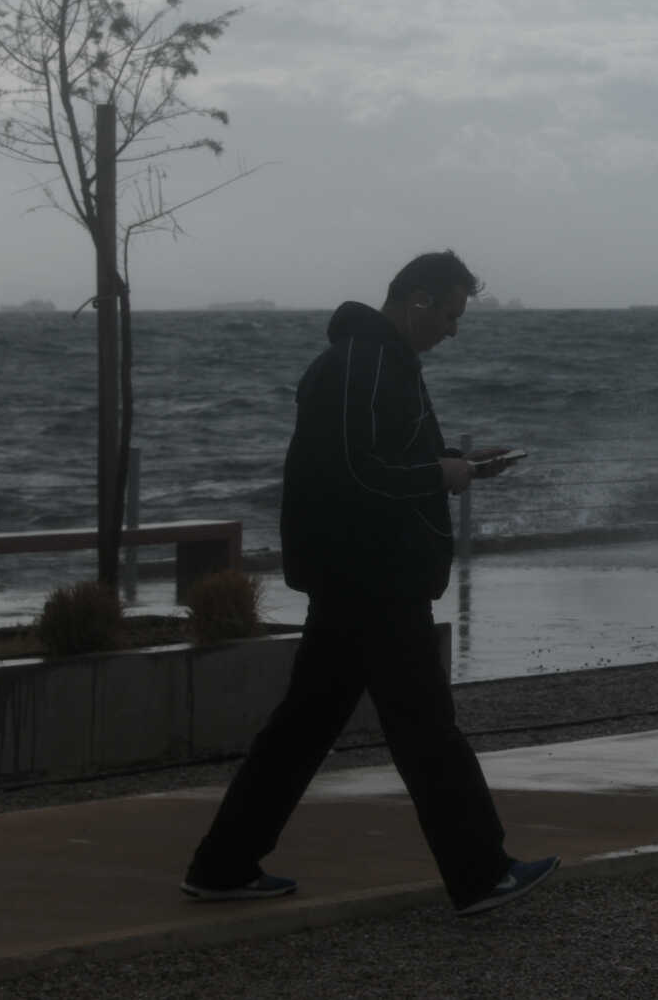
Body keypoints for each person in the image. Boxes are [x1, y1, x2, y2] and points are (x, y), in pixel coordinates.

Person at [182, 250, 559, 916]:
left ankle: (223, 863)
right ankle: (479, 873)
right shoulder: (367, 361)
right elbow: (356, 474)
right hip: (373, 577)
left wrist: (462, 464)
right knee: (425, 728)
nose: (452, 330)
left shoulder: (371, 360)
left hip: (354, 577)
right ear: (416, 300)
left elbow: (375, 461)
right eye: (449, 314)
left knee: (304, 726)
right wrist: (438, 476)